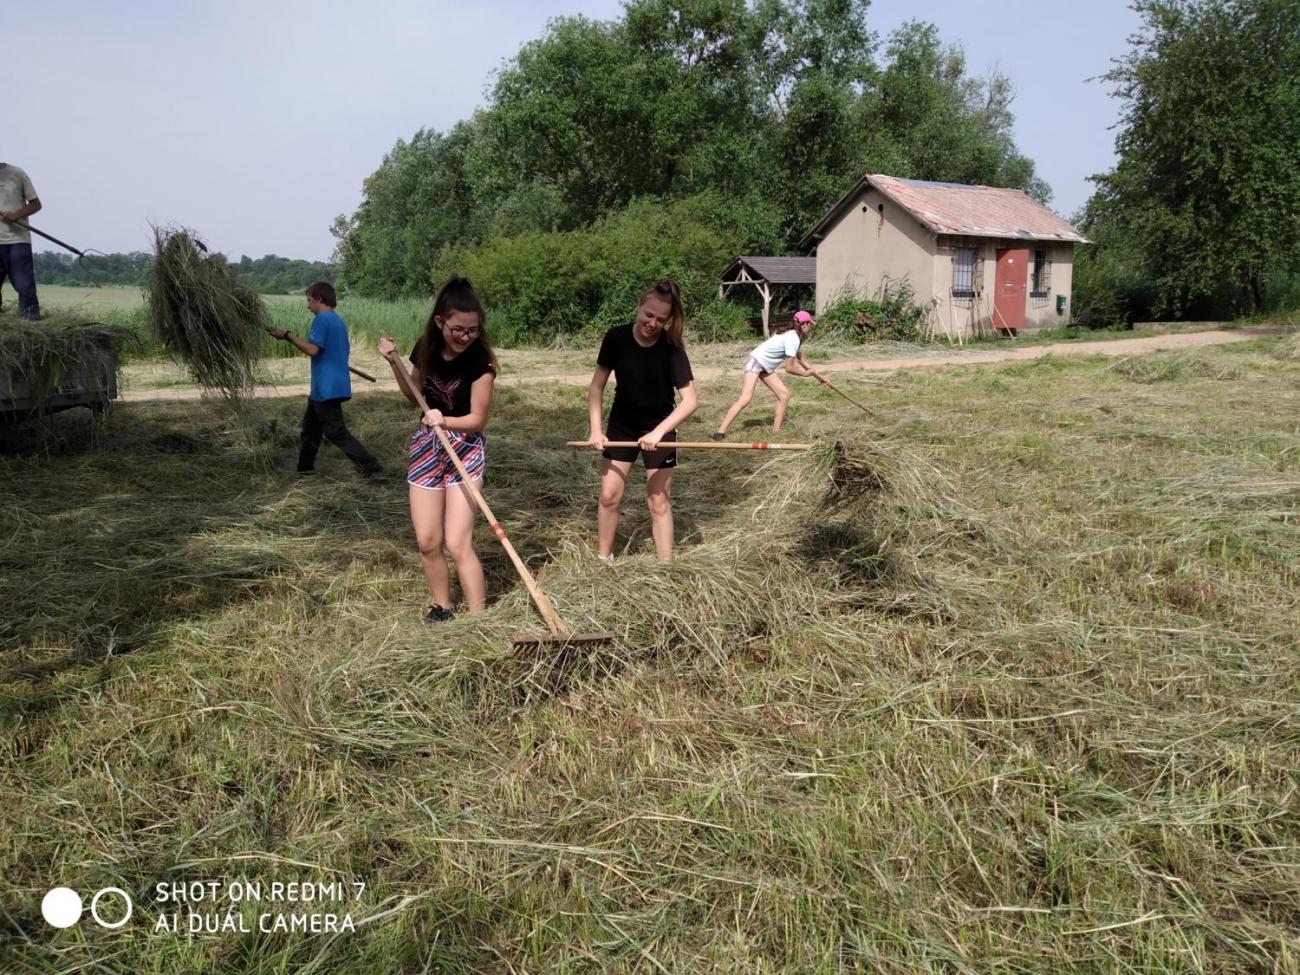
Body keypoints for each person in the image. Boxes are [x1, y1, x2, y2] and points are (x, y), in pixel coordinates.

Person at [379, 277, 497, 623]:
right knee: (428, 540)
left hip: (465, 448)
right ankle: (443, 607)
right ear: (440, 322)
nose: (466, 337)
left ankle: (478, 619)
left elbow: (477, 419)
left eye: (473, 330)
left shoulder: (481, 363)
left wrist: (444, 420)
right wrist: (393, 363)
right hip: (428, 446)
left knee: (458, 542)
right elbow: (412, 393)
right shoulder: (426, 348)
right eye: (458, 329)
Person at [585, 280, 698, 563]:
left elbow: (690, 401)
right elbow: (596, 387)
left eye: (661, 319)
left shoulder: (672, 347)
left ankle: (665, 566)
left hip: (661, 425)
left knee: (658, 500)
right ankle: (604, 559)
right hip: (622, 425)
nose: (653, 323)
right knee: (609, 496)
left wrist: (659, 432)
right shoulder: (616, 338)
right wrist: (597, 430)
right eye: (648, 314)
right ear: (639, 306)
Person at [270, 281, 383, 478]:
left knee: (335, 431)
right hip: (327, 386)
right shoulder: (338, 321)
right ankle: (304, 469)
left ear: (320, 299)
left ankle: (370, 465)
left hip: (326, 387)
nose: (308, 305)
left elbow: (313, 350)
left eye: (309, 300)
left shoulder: (321, 320)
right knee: (310, 431)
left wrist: (287, 335)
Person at [712, 309, 826, 439]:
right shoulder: (793, 338)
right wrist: (805, 374)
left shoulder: (795, 337)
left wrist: (820, 378)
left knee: (784, 395)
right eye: (810, 324)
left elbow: (802, 360)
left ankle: (775, 433)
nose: (810, 328)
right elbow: (789, 368)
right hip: (756, 361)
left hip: (765, 365)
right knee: (745, 399)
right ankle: (720, 432)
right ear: (804, 324)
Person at [0, 160, 44, 320]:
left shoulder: (16, 173)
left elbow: (36, 204)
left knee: (25, 287)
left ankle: (31, 322)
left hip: (17, 241)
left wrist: (16, 215)